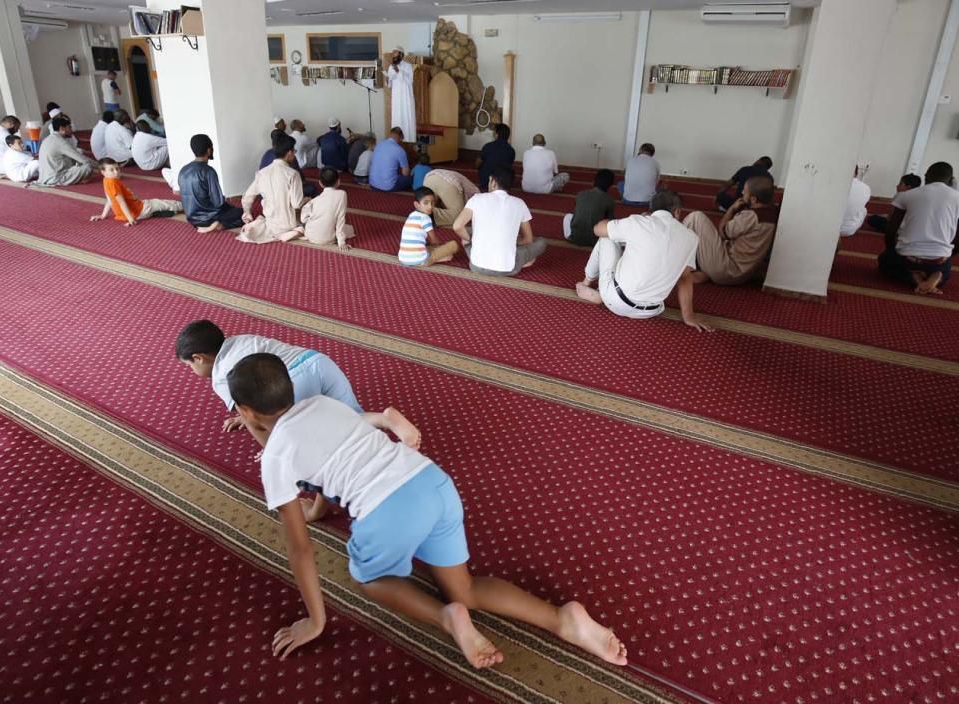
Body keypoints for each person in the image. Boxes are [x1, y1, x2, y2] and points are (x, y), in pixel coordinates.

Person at [226, 352, 628, 669]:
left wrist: (315, 622)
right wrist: (385, 421)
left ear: (244, 411)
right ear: (289, 387)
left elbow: (300, 549)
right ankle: (562, 619)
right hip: (431, 481)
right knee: (465, 590)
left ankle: (446, 618)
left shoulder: (275, 457)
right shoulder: (319, 403)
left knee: (368, 577)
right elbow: (342, 443)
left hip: (385, 511)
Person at [176, 320, 362, 435]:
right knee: (357, 421)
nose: (192, 370)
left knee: (308, 437)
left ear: (198, 358)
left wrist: (273, 448)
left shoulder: (220, 376)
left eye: (190, 365)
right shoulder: (241, 339)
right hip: (318, 361)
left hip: (292, 382)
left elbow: (250, 415)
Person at [575, 190, 708, 329]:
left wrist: (618, 222)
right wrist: (688, 316)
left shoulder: (639, 222)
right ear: (677, 212)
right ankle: (604, 293)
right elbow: (685, 278)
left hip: (616, 299)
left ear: (651, 210)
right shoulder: (692, 238)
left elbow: (597, 229)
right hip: (651, 311)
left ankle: (587, 283)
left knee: (606, 238)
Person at [877, 162, 959, 295]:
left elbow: (890, 230)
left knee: (884, 261)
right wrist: (946, 255)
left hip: (908, 257)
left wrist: (891, 250)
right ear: (951, 180)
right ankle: (936, 277)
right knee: (946, 266)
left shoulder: (907, 195)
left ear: (926, 177)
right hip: (938, 260)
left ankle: (915, 277)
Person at [683, 176, 778, 286]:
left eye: (745, 191)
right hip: (743, 274)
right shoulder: (773, 213)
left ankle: (676, 264)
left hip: (727, 269)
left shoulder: (751, 216)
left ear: (753, 199)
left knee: (695, 217)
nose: (742, 192)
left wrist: (731, 209)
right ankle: (704, 270)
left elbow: (723, 232)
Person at [453, 168, 547, 276]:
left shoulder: (477, 199)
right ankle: (521, 260)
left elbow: (457, 226)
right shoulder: (520, 203)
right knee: (541, 243)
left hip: (476, 266)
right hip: (508, 268)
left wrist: (471, 239)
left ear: (493, 182)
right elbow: (528, 239)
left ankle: (478, 246)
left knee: (465, 234)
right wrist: (510, 241)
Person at [238, 136, 306, 243]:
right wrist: (306, 200)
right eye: (294, 151)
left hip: (270, 224)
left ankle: (282, 234)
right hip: (288, 224)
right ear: (289, 153)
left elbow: (247, 198)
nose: (294, 154)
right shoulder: (292, 174)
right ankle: (291, 233)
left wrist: (247, 213)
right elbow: (297, 204)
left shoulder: (262, 173)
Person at [89, 157, 182, 226]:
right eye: (111, 170)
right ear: (103, 172)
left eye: (117, 169)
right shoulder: (113, 183)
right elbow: (122, 202)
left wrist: (103, 215)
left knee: (152, 206)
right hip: (139, 210)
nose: (116, 172)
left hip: (125, 215)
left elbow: (110, 200)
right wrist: (130, 219)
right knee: (160, 202)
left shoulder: (106, 180)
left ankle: (155, 213)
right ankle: (186, 206)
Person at [180, 134, 244, 233]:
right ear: (209, 150)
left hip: (192, 218)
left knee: (231, 208)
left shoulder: (183, 170)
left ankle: (204, 226)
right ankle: (219, 226)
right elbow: (218, 202)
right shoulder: (208, 171)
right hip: (210, 217)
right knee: (244, 214)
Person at [283, 167, 355, 249]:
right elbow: (340, 219)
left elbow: (303, 219)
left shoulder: (314, 201)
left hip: (310, 235)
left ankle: (300, 230)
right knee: (350, 229)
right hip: (328, 238)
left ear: (320, 183)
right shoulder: (342, 194)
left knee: (308, 223)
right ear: (338, 181)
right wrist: (341, 242)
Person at [399, 186, 459, 267]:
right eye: (426, 203)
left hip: (403, 258)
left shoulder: (412, 215)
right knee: (453, 245)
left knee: (429, 247)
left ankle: (434, 257)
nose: (430, 206)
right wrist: (441, 246)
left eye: (432, 202)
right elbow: (434, 241)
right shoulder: (425, 218)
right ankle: (430, 260)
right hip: (420, 258)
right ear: (417, 205)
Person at [36, 115, 96, 186]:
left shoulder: (48, 139)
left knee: (77, 161)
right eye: (69, 127)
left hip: (44, 178)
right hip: (56, 178)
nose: (71, 130)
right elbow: (81, 159)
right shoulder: (59, 141)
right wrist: (101, 165)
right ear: (62, 129)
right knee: (88, 166)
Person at [564, 169, 616, 247]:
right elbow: (611, 220)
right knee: (611, 223)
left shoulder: (580, 194)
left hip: (575, 238)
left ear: (593, 181)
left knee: (568, 216)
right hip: (596, 241)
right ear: (610, 186)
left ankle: (569, 237)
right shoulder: (610, 200)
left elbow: (576, 215)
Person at [386, 46, 416, 143]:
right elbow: (390, 85)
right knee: (397, 117)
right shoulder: (391, 67)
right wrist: (388, 79)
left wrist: (399, 71)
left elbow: (409, 81)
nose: (393, 56)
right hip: (396, 98)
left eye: (395, 53)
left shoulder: (407, 66)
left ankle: (408, 141)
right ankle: (396, 140)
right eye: (393, 54)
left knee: (406, 117)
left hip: (406, 98)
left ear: (401, 55)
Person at [369, 127, 411, 192]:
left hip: (372, 184)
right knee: (411, 178)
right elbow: (405, 173)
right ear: (400, 138)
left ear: (390, 134)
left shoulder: (379, 144)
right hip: (389, 187)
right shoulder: (399, 150)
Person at [477, 123, 515, 191]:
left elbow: (477, 163)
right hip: (503, 184)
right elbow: (509, 167)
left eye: (494, 132)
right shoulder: (511, 151)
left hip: (486, 182)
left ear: (496, 134)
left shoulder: (488, 146)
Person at [840, 168, 873, 238]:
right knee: (864, 210)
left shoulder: (835, 184)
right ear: (856, 173)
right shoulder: (866, 188)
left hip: (829, 227)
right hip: (849, 230)